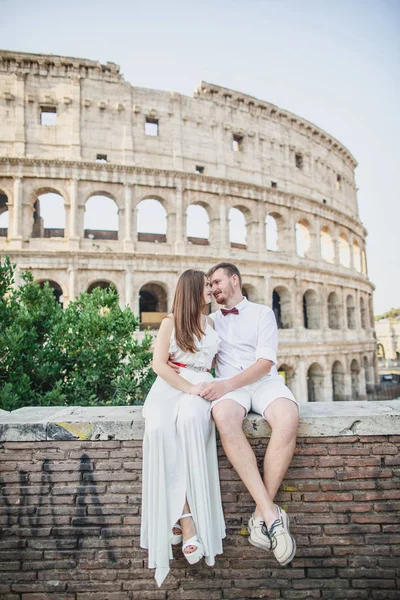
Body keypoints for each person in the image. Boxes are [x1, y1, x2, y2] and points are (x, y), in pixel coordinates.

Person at [199, 262, 299, 566]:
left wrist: (225, 383)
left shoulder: (262, 313)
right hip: (233, 390)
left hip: (263, 382)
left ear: (234, 280)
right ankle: (272, 514)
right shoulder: (212, 321)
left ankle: (261, 513)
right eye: (209, 286)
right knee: (225, 418)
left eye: (217, 283)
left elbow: (265, 363)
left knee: (288, 418)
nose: (213, 289)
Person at [140, 269, 226, 587]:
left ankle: (183, 519)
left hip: (202, 384)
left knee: (189, 424)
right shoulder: (170, 322)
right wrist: (186, 387)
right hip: (171, 385)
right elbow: (159, 364)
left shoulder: (213, 323)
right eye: (205, 286)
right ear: (191, 290)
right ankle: (185, 515)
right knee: (160, 431)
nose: (210, 290)